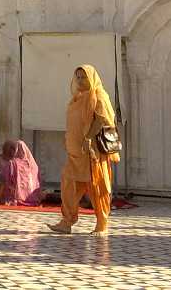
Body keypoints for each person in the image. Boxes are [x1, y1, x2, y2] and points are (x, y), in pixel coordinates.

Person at [49, 64, 118, 235]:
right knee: (69, 184)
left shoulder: (99, 96)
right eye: (77, 76)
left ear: (91, 78)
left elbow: (102, 120)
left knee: (97, 187)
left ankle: (102, 223)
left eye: (83, 77)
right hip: (76, 154)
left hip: (92, 153)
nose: (80, 80)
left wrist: (87, 138)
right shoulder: (77, 98)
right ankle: (67, 221)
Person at [0, 140, 42, 206]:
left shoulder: (12, 164)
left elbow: (3, 183)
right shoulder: (33, 166)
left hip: (16, 201)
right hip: (33, 201)